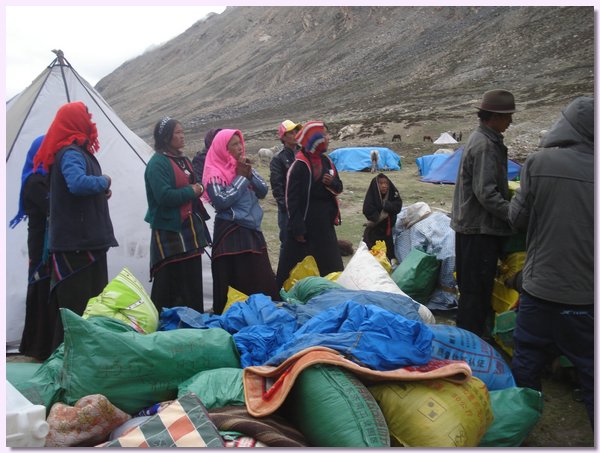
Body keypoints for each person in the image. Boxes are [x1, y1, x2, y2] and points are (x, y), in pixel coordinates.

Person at [508, 96, 594, 427]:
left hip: (540, 287)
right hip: (586, 294)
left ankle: (524, 426)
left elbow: (518, 219)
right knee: (589, 366)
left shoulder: (539, 163)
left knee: (527, 358)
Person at [33, 101, 118, 350]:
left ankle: (77, 362)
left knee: (86, 309)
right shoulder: (70, 153)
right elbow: (78, 184)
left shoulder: (77, 152)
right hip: (77, 245)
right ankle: (68, 363)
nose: (91, 123)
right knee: (77, 311)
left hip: (86, 241)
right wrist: (103, 181)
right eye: (86, 117)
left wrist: (101, 191)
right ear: (76, 122)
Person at [450, 89, 516, 338]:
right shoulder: (486, 145)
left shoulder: (481, 139)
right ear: (494, 116)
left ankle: (470, 339)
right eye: (508, 116)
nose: (510, 122)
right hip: (480, 229)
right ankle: (472, 342)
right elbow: (486, 192)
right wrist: (512, 213)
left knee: (471, 290)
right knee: (476, 291)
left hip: (472, 227)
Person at [202, 129, 279, 314]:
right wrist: (241, 178)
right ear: (223, 148)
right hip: (230, 230)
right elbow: (220, 200)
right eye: (234, 144)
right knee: (238, 278)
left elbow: (263, 191)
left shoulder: (242, 165)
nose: (239, 148)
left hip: (252, 228)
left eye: (240, 143)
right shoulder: (213, 171)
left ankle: (263, 313)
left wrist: (249, 174)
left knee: (260, 277)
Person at [144, 117, 209, 314]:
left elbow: (196, 184)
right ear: (166, 137)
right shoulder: (157, 164)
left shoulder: (183, 160)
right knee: (169, 284)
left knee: (192, 282)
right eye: (178, 133)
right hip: (169, 230)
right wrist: (193, 191)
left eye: (183, 132)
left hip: (190, 230)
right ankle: (168, 328)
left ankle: (193, 322)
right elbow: (163, 196)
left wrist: (197, 188)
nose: (182, 136)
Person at [276, 121, 344, 288]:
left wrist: (332, 183)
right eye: (324, 134)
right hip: (304, 228)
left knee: (331, 268)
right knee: (293, 271)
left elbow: (339, 187)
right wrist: (298, 228)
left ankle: (332, 295)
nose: (328, 138)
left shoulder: (327, 161)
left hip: (324, 226)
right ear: (314, 138)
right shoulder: (299, 165)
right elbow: (291, 200)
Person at [9, 135, 57, 361]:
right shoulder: (35, 181)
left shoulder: (43, 178)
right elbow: (50, 207)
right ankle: (39, 346)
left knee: (46, 290)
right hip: (41, 246)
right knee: (40, 288)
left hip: (46, 242)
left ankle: (43, 344)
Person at [270, 119, 302, 254]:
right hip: (287, 211)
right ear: (283, 137)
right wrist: (286, 207)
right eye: (291, 132)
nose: (295, 134)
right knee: (288, 243)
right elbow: (277, 187)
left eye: (296, 131)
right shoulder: (278, 159)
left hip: (305, 207)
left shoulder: (305, 154)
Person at [362, 173, 403, 260]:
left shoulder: (392, 194)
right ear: (376, 185)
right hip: (374, 232)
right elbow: (367, 210)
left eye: (386, 183)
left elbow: (397, 205)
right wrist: (379, 215)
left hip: (387, 234)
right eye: (381, 183)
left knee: (388, 256)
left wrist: (387, 206)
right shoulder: (372, 196)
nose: (384, 186)